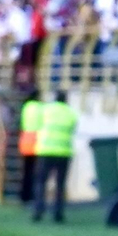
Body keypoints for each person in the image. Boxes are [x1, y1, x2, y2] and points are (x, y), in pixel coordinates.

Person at [31, 88, 76, 222]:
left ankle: (38, 210)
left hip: (46, 150)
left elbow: (36, 125)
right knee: (60, 184)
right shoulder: (71, 113)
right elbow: (72, 129)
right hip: (64, 152)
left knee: (41, 182)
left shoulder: (46, 110)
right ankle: (58, 213)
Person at [17, 90, 43, 204]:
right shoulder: (40, 107)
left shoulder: (26, 107)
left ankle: (24, 195)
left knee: (26, 171)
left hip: (25, 140)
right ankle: (32, 195)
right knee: (35, 172)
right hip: (36, 142)